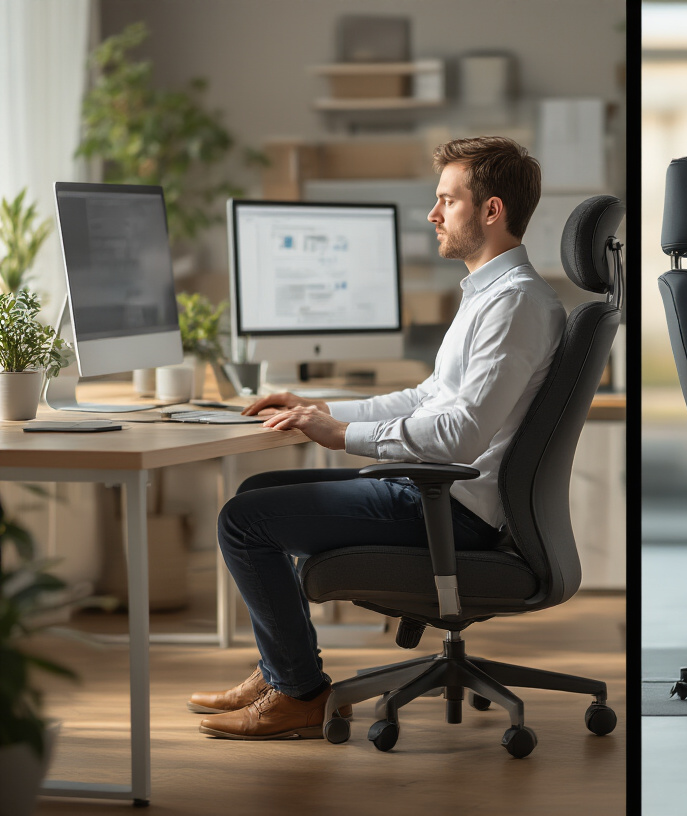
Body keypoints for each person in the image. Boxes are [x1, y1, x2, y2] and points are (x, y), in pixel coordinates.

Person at [189, 136, 566, 739]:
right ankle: (281, 669)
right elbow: (426, 399)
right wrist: (322, 408)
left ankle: (299, 691)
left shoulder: (515, 304)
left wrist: (344, 435)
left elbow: (460, 435)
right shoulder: (491, 294)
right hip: (440, 493)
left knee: (244, 520)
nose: (432, 214)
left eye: (448, 200)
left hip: (453, 507)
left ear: (491, 211)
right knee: (258, 492)